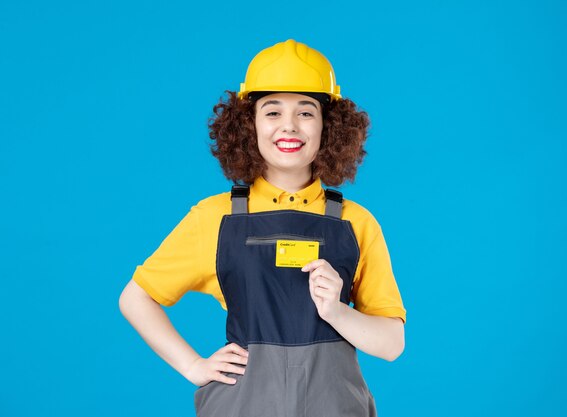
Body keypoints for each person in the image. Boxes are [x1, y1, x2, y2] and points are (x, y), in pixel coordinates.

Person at [119, 39, 406, 417]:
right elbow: (135, 298)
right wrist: (193, 366)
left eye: (306, 112)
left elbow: (391, 345)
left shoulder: (357, 223)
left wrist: (337, 311)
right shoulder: (216, 217)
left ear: (328, 126)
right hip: (243, 406)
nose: (289, 126)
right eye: (272, 112)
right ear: (248, 124)